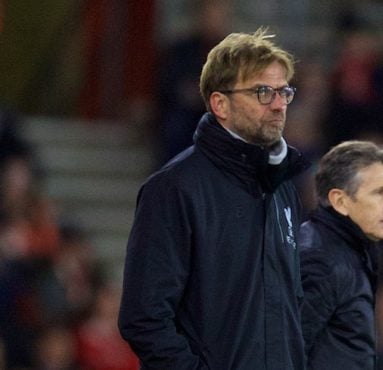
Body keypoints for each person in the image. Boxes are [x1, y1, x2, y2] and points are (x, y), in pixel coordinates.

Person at [118, 28, 310, 369]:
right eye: (263, 92)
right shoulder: (174, 189)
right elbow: (144, 317)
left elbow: (288, 309)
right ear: (220, 103)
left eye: (284, 92)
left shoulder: (283, 190)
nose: (279, 104)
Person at [298, 140, 383, 369]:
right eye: (379, 193)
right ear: (340, 201)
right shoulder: (322, 260)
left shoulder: (349, 250)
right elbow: (284, 351)